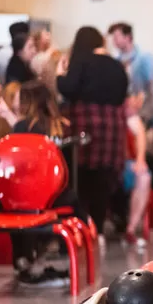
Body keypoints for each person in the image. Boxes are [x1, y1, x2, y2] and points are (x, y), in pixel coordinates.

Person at [4, 80, 88, 286]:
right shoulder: (60, 126)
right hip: (56, 195)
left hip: (27, 199)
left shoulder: (22, 128)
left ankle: (23, 259)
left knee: (15, 200)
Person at [57, 26, 128, 240]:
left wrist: (60, 75)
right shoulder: (116, 65)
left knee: (81, 178)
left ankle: (82, 230)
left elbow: (68, 89)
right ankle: (98, 229)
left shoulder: (81, 62)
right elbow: (123, 93)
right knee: (103, 178)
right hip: (112, 127)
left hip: (84, 123)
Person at [108, 22, 153, 121]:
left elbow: (152, 84)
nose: (114, 41)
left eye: (117, 37)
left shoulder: (144, 58)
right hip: (126, 112)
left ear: (128, 37)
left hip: (145, 111)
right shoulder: (116, 61)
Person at [122, 95, 152, 247]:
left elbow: (140, 134)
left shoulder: (130, 116)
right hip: (109, 163)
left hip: (127, 164)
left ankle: (131, 229)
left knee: (144, 177)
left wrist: (140, 160)